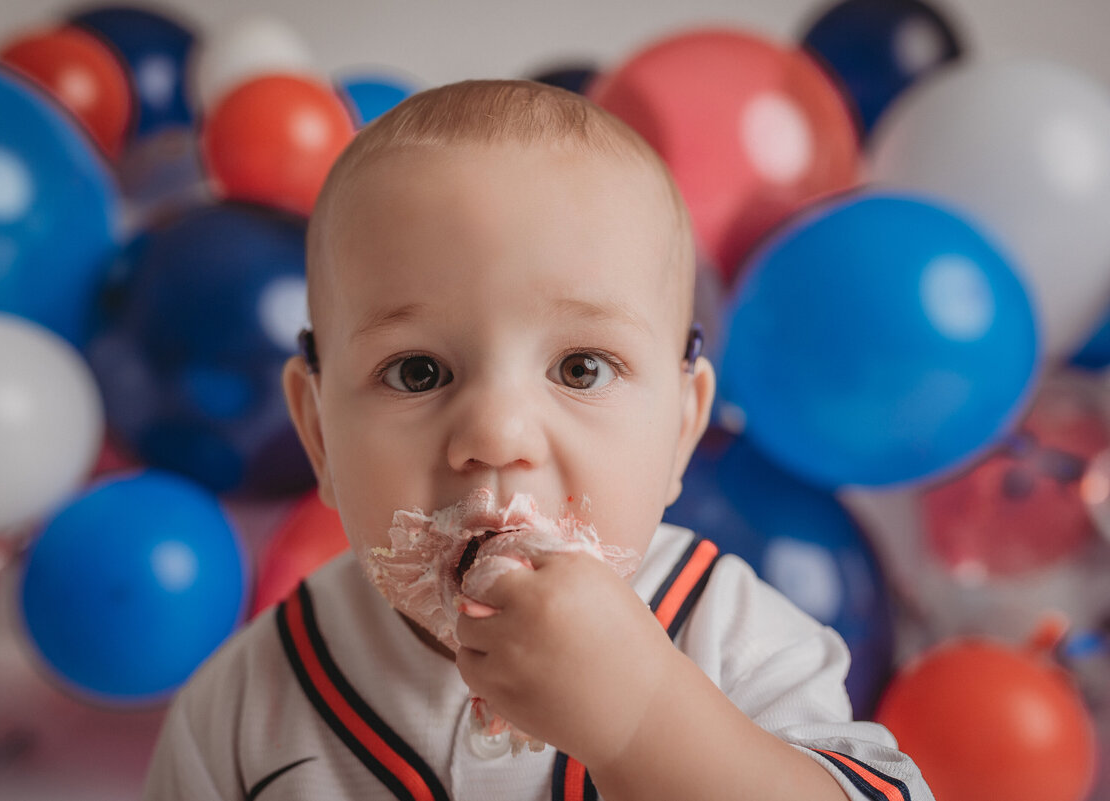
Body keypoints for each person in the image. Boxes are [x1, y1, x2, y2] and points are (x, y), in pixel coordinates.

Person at [144, 79, 932, 801]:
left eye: (582, 367)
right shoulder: (246, 707)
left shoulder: (735, 639)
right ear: (318, 432)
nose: (495, 434)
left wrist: (646, 719)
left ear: (683, 429)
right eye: (417, 371)